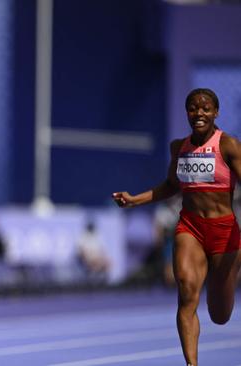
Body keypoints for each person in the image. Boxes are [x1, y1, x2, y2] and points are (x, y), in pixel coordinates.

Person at [112, 88, 241, 366]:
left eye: (206, 108)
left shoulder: (228, 145)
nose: (199, 113)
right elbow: (171, 186)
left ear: (216, 112)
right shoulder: (178, 147)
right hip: (190, 227)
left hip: (224, 231)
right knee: (186, 292)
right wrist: (136, 200)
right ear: (187, 113)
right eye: (193, 108)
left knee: (220, 314)